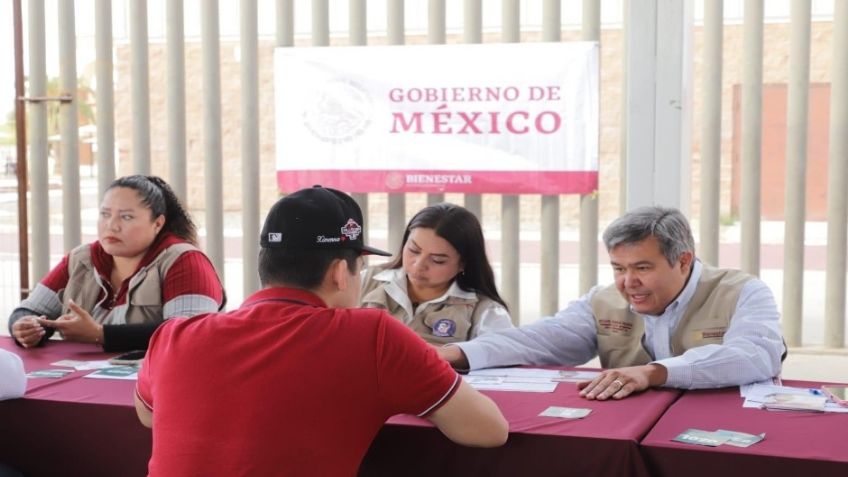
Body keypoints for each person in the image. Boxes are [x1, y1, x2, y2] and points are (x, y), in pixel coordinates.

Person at [134, 186, 508, 476]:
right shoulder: (373, 335)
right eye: (359, 269)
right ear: (339, 273)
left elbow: (148, 415)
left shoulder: (175, 334)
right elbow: (489, 429)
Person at [438, 206, 785, 401]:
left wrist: (653, 373)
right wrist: (453, 354)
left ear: (683, 261)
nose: (628, 282)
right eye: (619, 268)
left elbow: (756, 355)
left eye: (643, 268)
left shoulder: (743, 291)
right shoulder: (603, 299)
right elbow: (540, 339)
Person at [8, 175, 225, 352]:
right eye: (105, 214)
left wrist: (100, 335)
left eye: (127, 217)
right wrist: (26, 328)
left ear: (158, 223)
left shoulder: (185, 260)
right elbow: (28, 310)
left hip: (158, 389)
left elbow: (191, 335)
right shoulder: (82, 259)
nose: (112, 226)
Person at [361, 203, 513, 345]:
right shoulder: (364, 281)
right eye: (413, 250)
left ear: (463, 263)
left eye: (437, 260)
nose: (418, 265)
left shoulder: (484, 311)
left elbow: (503, 356)